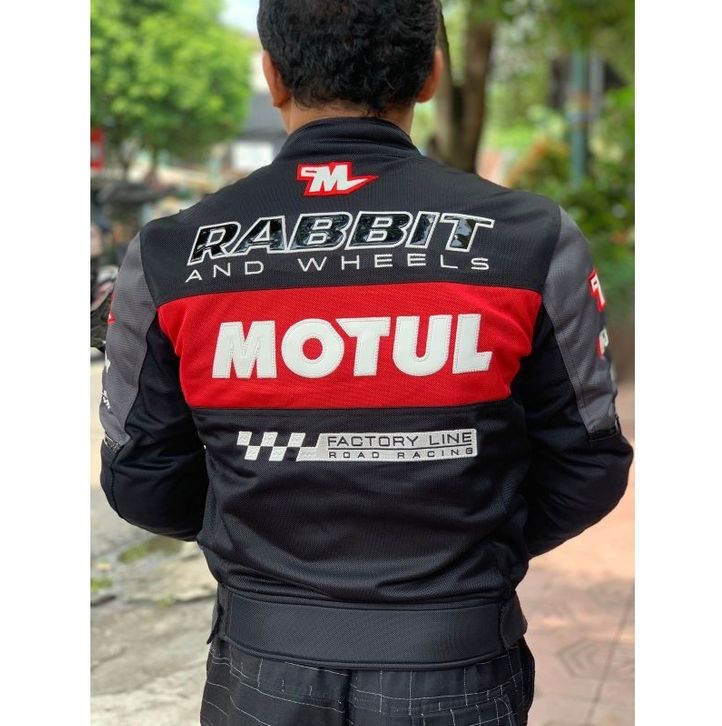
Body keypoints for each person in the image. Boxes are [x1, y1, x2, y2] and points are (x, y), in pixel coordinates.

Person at [98, 1, 634, 723]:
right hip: (459, 660)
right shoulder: (530, 240)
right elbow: (588, 465)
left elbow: (142, 481)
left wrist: (261, 535)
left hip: (262, 668)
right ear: (431, 74)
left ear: (272, 75)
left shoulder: (171, 254)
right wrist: (472, 548)